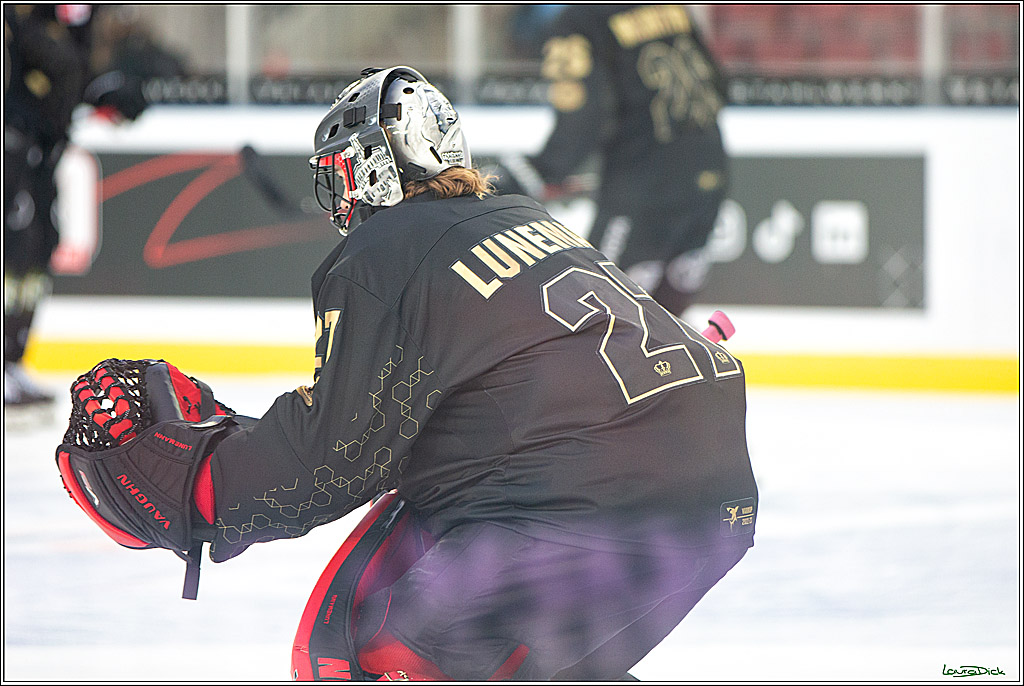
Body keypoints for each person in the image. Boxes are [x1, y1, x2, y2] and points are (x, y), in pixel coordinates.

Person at [55, 66, 757, 681]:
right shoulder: (522, 216)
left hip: (581, 509)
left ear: (372, 166)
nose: (338, 196)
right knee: (539, 668)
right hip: (716, 508)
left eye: (340, 172)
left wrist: (199, 486)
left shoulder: (386, 249)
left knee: (381, 648)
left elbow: (328, 460)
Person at [492, 4, 729, 321]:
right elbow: (719, 85)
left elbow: (582, 119)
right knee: (667, 315)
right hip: (710, 168)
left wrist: (537, 171)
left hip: (644, 183)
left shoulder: (579, 20)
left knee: (597, 308)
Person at [4, 4, 154, 409]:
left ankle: (12, 360)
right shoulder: (21, 19)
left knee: (38, 247)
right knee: (13, 250)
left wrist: (106, 89)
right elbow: (44, 67)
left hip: (43, 151)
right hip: (13, 146)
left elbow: (73, 72)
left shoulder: (78, 21)